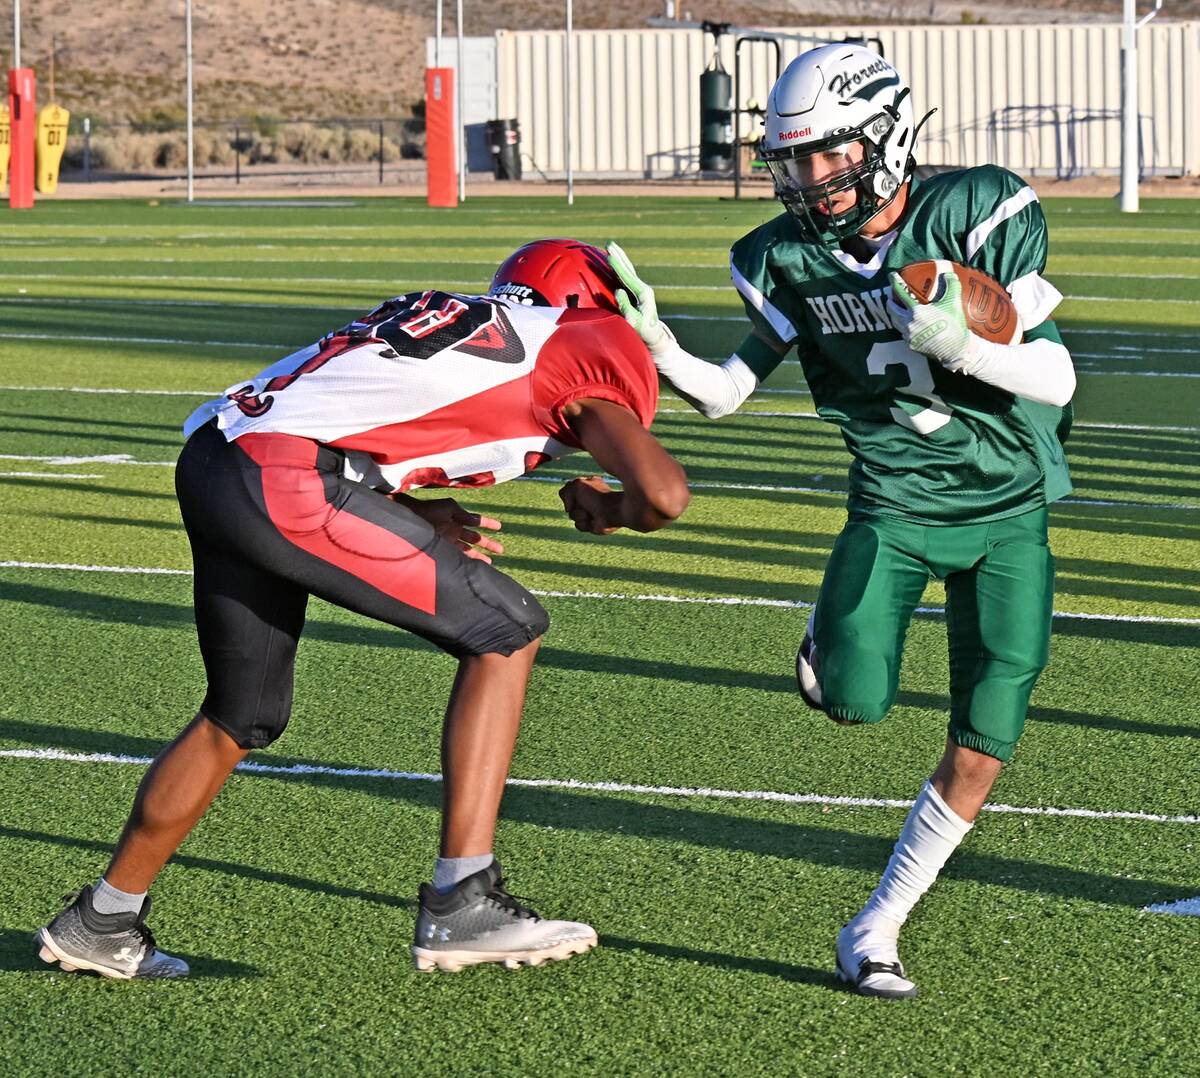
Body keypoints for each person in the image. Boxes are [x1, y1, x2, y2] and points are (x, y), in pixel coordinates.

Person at [35, 239, 690, 979]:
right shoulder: (583, 341)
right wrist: (610, 508)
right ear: (588, 302)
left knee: (240, 715)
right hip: (285, 477)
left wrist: (408, 510)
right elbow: (664, 493)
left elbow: (339, 411)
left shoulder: (445, 314)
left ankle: (103, 920)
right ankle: (462, 900)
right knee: (506, 631)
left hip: (219, 459)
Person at [608, 43, 1075, 999]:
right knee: (856, 703)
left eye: (829, 154)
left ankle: (878, 928)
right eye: (794, 160)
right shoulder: (785, 257)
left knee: (988, 733)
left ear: (889, 138)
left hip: (1009, 504)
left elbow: (1056, 377)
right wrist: (659, 349)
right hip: (896, 505)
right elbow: (730, 393)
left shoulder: (976, 212)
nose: (810, 178)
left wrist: (962, 342)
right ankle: (831, 638)